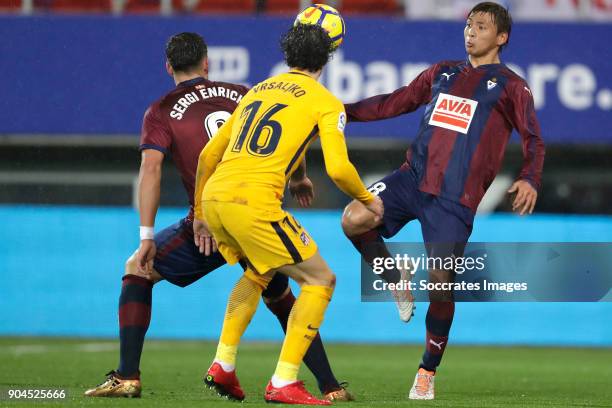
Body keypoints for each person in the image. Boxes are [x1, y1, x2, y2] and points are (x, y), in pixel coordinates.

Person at [84, 32, 352, 402]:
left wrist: (148, 234)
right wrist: (300, 176)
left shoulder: (161, 110)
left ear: (168, 66)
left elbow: (151, 169)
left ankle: (128, 376)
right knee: (284, 292)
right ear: (207, 63)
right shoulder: (246, 91)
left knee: (138, 269)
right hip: (257, 211)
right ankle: (328, 385)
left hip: (208, 219)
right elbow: (293, 130)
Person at [340, 2, 545, 400]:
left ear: (501, 37)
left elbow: (534, 138)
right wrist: (341, 113)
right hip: (410, 180)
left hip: (455, 199)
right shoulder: (442, 72)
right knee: (353, 219)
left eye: (481, 27)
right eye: (469, 25)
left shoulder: (512, 85)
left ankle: (426, 370)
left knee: (440, 283)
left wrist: (530, 179)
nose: (471, 32)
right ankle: (394, 277)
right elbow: (395, 101)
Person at [193, 24, 383, 405]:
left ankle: (224, 363)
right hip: (254, 202)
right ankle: (284, 380)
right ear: (327, 58)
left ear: (289, 55)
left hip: (215, 198)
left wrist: (198, 212)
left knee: (259, 271)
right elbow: (339, 169)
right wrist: (367, 199)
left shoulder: (257, 90)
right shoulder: (325, 101)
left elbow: (207, 155)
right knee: (321, 280)